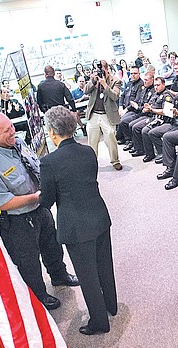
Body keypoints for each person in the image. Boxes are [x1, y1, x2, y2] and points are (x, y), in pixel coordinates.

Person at [0, 111, 79, 310]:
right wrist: (37, 196)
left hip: (39, 209)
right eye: (6, 131)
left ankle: (59, 275)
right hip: (17, 222)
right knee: (28, 262)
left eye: (11, 126)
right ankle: (38, 296)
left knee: (52, 246)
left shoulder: (18, 143)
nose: (12, 132)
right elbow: (0, 203)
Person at [40, 106, 117, 335]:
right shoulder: (88, 151)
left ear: (53, 133)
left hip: (75, 226)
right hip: (99, 216)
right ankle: (111, 305)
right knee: (104, 265)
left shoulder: (49, 162)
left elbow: (47, 200)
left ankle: (99, 321)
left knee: (87, 276)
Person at [84, 58, 123, 170]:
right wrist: (93, 81)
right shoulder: (93, 79)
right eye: (97, 69)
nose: (99, 71)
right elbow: (85, 91)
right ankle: (93, 163)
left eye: (101, 69)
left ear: (107, 69)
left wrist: (105, 85)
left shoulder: (115, 80)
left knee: (111, 136)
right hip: (94, 114)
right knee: (92, 140)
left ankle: (115, 161)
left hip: (107, 114)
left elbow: (115, 96)